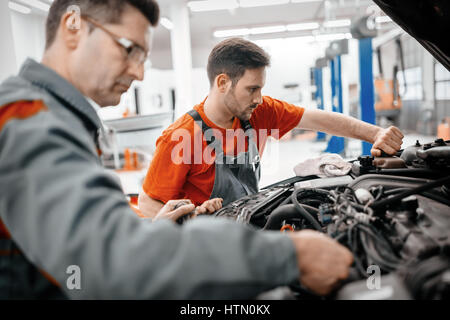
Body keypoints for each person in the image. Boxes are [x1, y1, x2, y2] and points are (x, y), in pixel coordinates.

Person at [0, 0, 352, 299]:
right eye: (129, 49)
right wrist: (288, 256)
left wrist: (154, 228)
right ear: (73, 25)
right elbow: (112, 259)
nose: (139, 72)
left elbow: (73, 243)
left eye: (144, 57)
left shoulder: (49, 115)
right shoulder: (28, 119)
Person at [138, 37, 405, 217]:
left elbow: (318, 119)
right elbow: (148, 203)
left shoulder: (258, 111)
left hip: (249, 221)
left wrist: (376, 133)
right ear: (222, 83)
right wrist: (182, 224)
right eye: (251, 89)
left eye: (261, 88)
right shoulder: (181, 136)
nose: (258, 98)